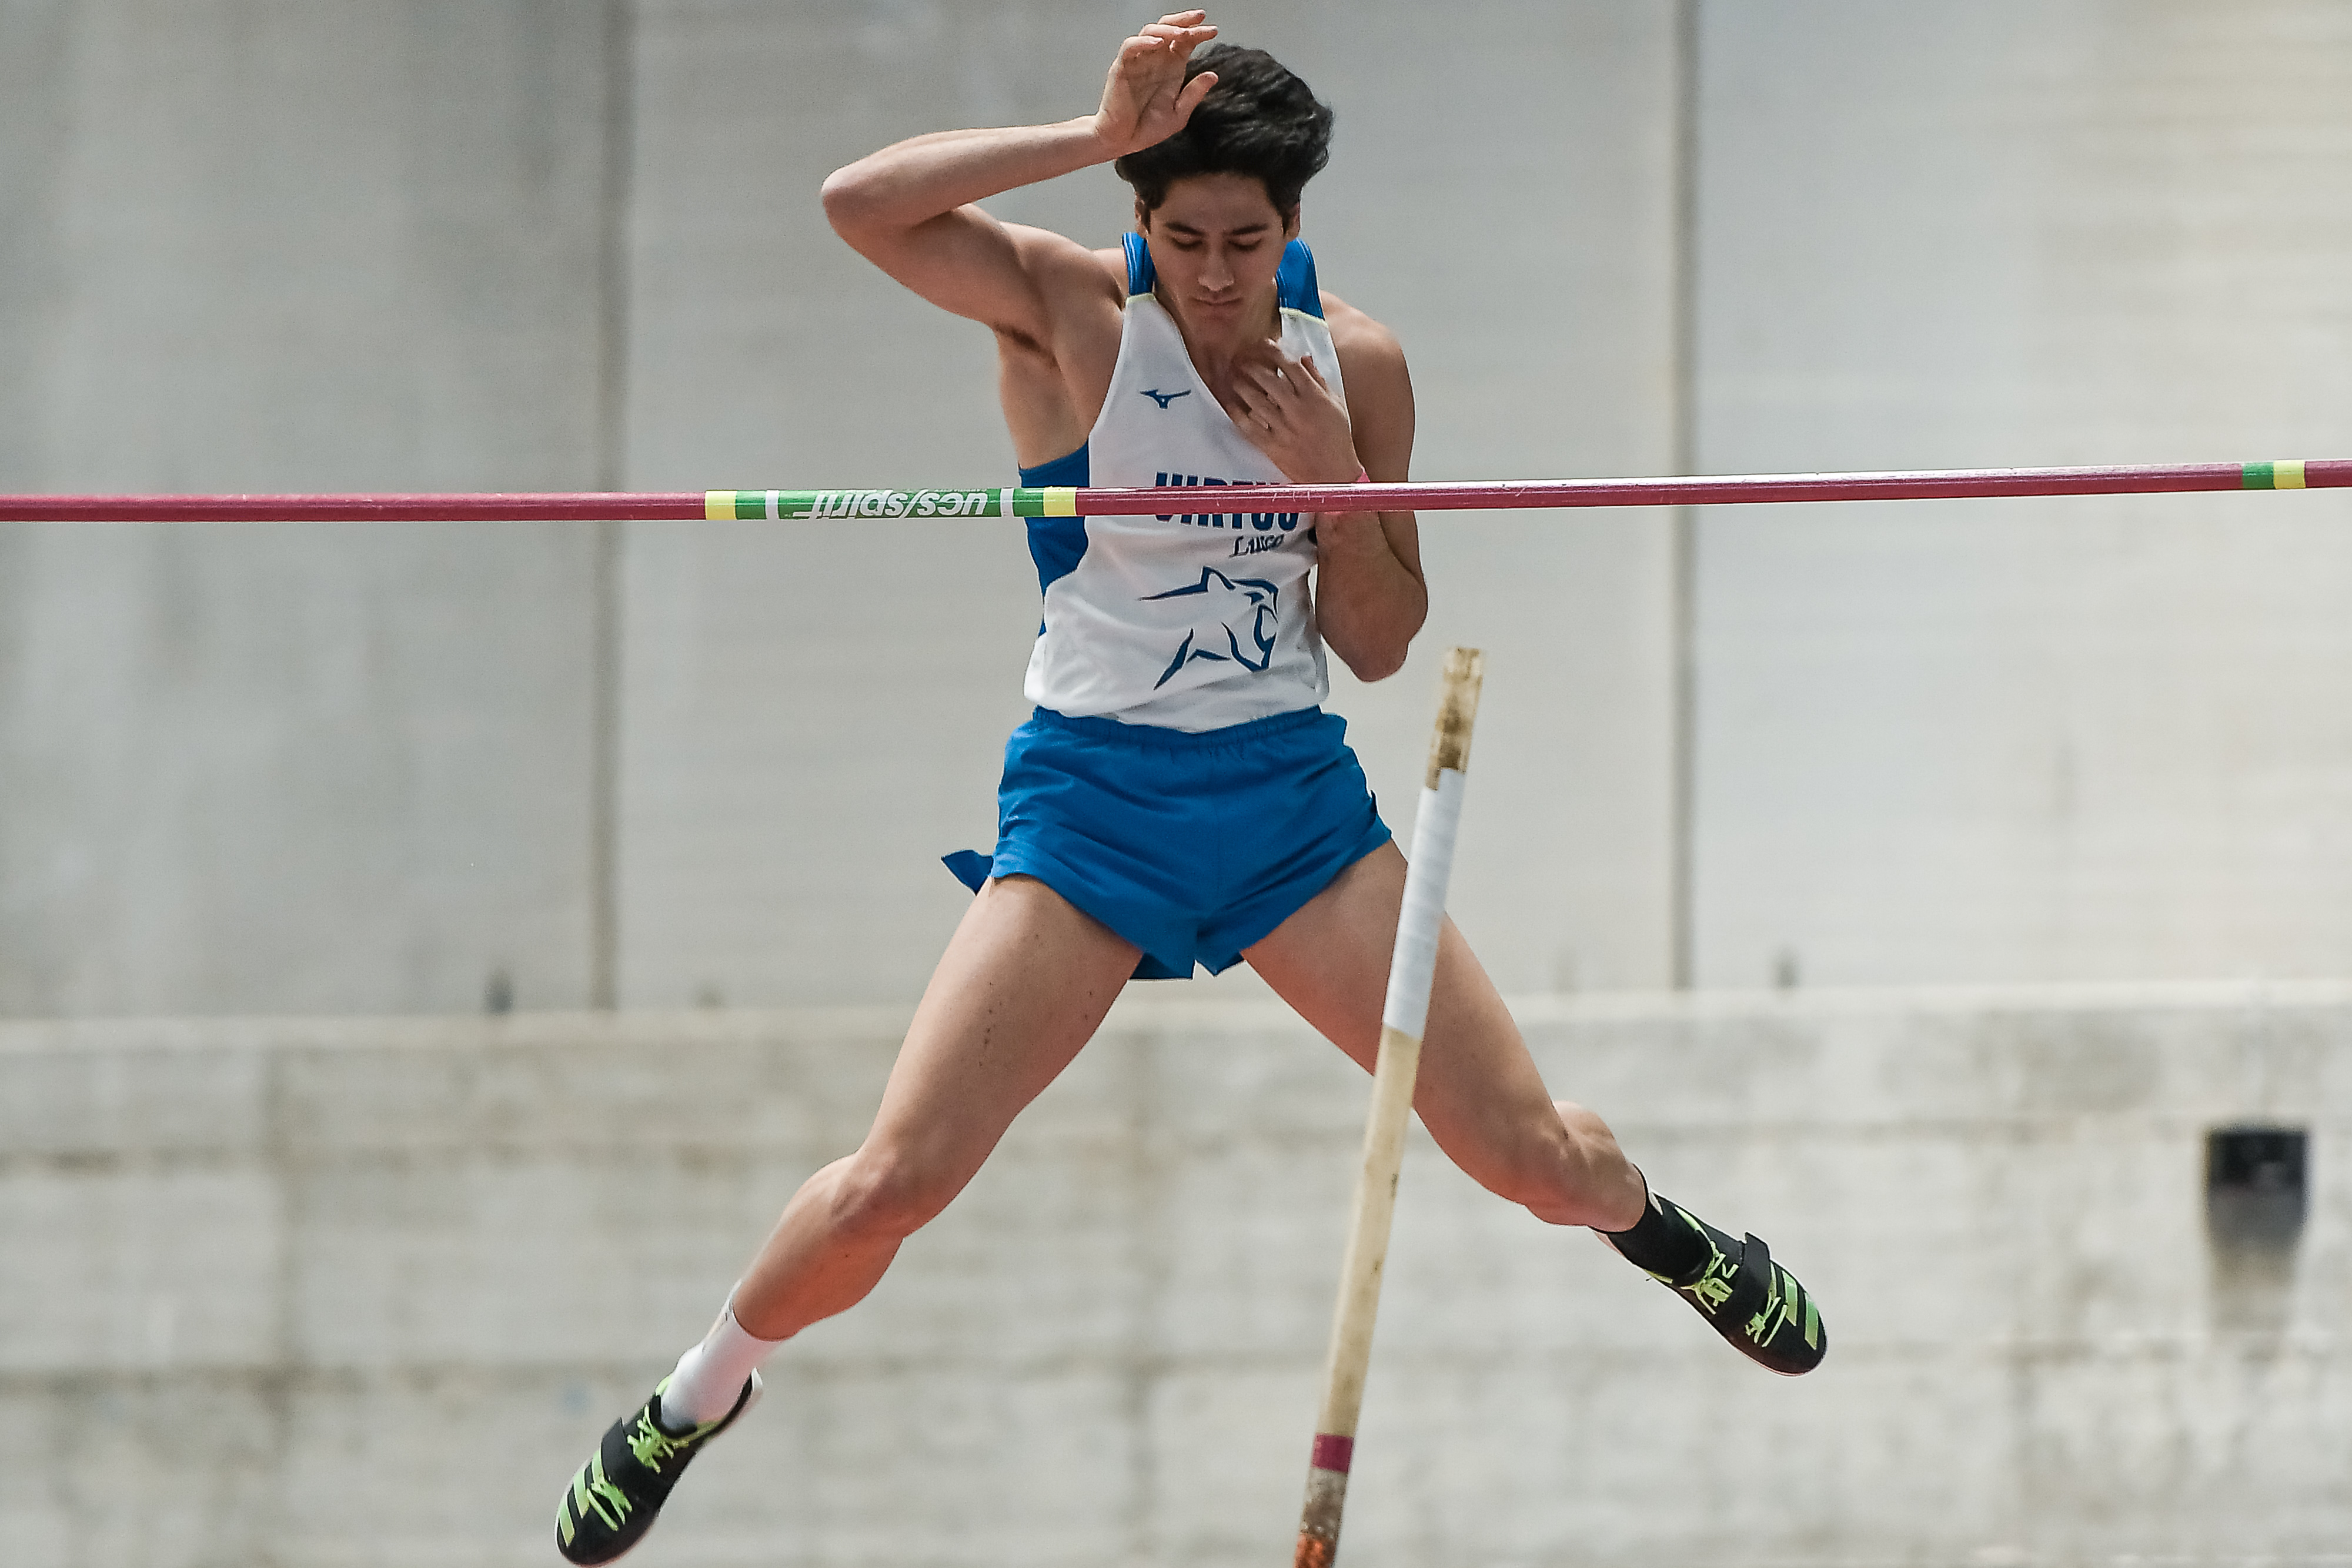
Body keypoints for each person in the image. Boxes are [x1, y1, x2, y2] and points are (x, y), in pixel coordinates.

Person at [553, 14, 1822, 1562]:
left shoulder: (1354, 363)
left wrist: (1335, 487)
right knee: (894, 1181)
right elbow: (858, 204)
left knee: (1536, 1163)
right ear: (1140, 216)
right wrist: (1094, 138)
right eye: (1183, 237)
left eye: (1247, 242)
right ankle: (695, 1396)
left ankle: (1668, 1232)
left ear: (1294, 226)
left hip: (1293, 812)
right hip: (1094, 811)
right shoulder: (1070, 312)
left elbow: (1380, 644)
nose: (1216, 277)